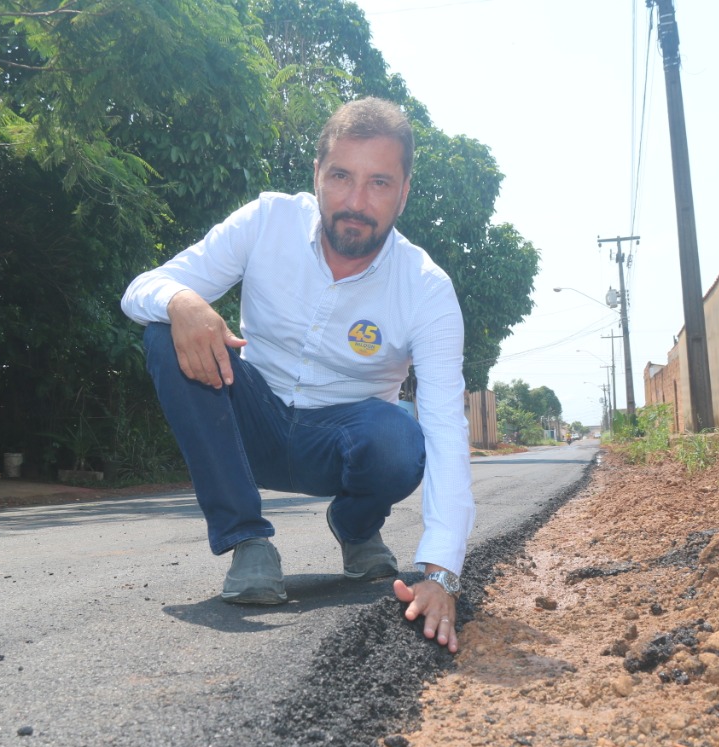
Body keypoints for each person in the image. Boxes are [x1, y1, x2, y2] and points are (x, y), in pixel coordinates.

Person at [121, 97, 473, 652]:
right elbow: (142, 288)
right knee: (167, 328)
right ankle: (247, 541)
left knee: (400, 438)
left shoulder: (426, 288)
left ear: (404, 192)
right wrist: (181, 301)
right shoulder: (268, 221)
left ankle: (356, 527)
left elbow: (447, 426)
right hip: (251, 421)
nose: (355, 202)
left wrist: (442, 573)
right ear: (317, 175)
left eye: (379, 183)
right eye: (341, 176)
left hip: (343, 443)